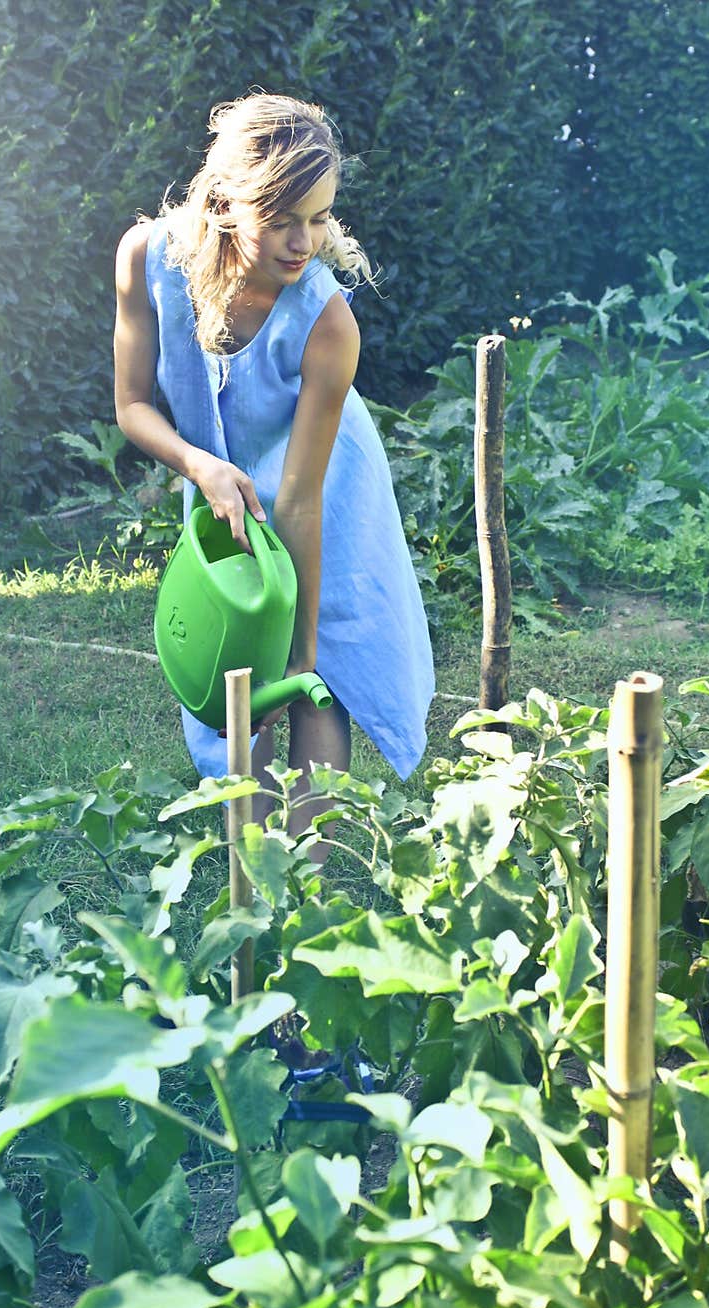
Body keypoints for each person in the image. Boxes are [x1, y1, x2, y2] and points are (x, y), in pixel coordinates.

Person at [113, 92, 434, 846]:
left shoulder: (327, 320)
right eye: (283, 219)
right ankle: (250, 866)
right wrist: (200, 466)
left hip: (323, 483)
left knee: (318, 680)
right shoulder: (146, 259)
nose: (304, 242)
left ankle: (307, 873)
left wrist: (302, 652)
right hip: (225, 482)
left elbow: (299, 499)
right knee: (240, 662)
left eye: (319, 218)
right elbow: (132, 406)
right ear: (227, 203)